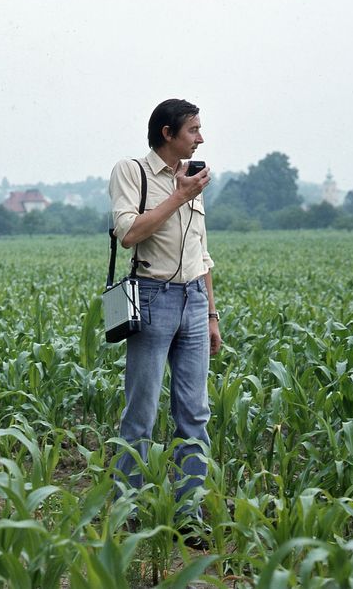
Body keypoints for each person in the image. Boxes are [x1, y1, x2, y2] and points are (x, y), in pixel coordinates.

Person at [108, 98, 222, 517]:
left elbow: (201, 251)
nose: (201, 137)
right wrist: (179, 197)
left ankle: (189, 513)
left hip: (193, 299)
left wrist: (211, 314)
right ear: (167, 133)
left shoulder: (192, 177)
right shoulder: (132, 172)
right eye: (193, 130)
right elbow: (129, 233)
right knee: (141, 412)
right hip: (152, 296)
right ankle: (127, 510)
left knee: (195, 413)